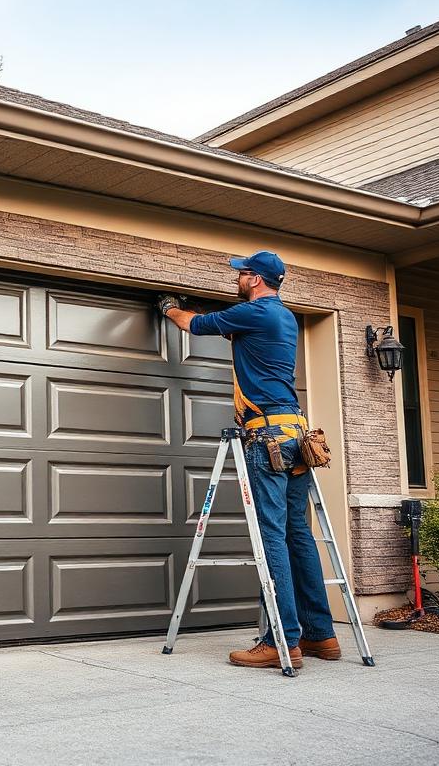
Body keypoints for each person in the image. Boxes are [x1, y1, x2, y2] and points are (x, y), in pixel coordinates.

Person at [157, 251, 340, 669]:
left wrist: (169, 308)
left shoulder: (253, 313)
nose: (237, 278)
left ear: (255, 279)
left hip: (267, 436)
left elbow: (193, 324)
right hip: (296, 433)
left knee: (271, 536)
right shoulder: (284, 318)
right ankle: (320, 636)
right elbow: (236, 335)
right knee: (298, 535)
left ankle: (281, 640)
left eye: (241, 273)